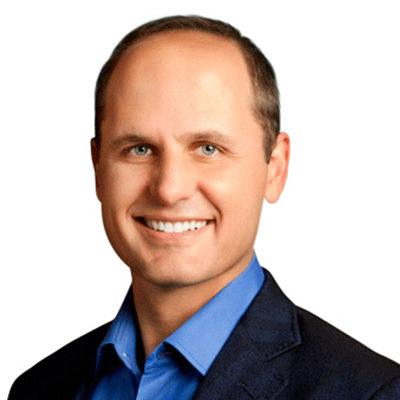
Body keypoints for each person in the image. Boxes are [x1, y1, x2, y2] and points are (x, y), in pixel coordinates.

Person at [8, 15, 400, 400]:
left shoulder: (371, 391)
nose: (169, 189)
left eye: (208, 148)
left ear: (275, 169)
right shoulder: (38, 388)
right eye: (139, 149)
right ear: (98, 169)